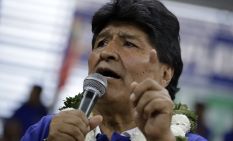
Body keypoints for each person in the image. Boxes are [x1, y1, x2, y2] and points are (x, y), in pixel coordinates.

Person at [21, 0, 207, 141]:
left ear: (165, 74)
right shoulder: (48, 131)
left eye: (129, 44)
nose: (107, 52)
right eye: (101, 42)